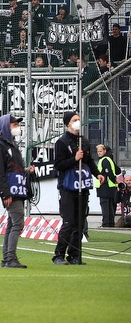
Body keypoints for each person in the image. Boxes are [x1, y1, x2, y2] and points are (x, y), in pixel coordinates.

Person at [53, 111, 103, 265]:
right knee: (68, 222)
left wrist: (97, 174)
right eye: (75, 120)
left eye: (79, 119)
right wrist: (73, 159)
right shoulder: (62, 142)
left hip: (82, 187)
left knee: (79, 223)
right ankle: (59, 255)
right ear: (68, 123)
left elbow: (90, 161)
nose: (78, 122)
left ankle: (75, 255)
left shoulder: (84, 142)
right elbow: (58, 165)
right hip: (68, 188)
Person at [0, 114, 35, 268]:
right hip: (12, 191)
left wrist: (27, 171)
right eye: (14, 124)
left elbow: (15, 169)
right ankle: (10, 258)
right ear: (5, 127)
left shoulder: (12, 146)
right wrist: (5, 193)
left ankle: (7, 258)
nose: (17, 127)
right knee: (18, 224)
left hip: (18, 189)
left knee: (12, 225)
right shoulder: (0, 147)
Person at [95, 144, 121, 228]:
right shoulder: (109, 160)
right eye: (98, 151)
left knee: (105, 205)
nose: (99, 153)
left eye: (100, 151)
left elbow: (108, 172)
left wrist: (114, 180)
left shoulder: (104, 160)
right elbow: (117, 170)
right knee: (110, 206)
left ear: (105, 151)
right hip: (111, 186)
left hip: (105, 186)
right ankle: (110, 223)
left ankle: (106, 223)